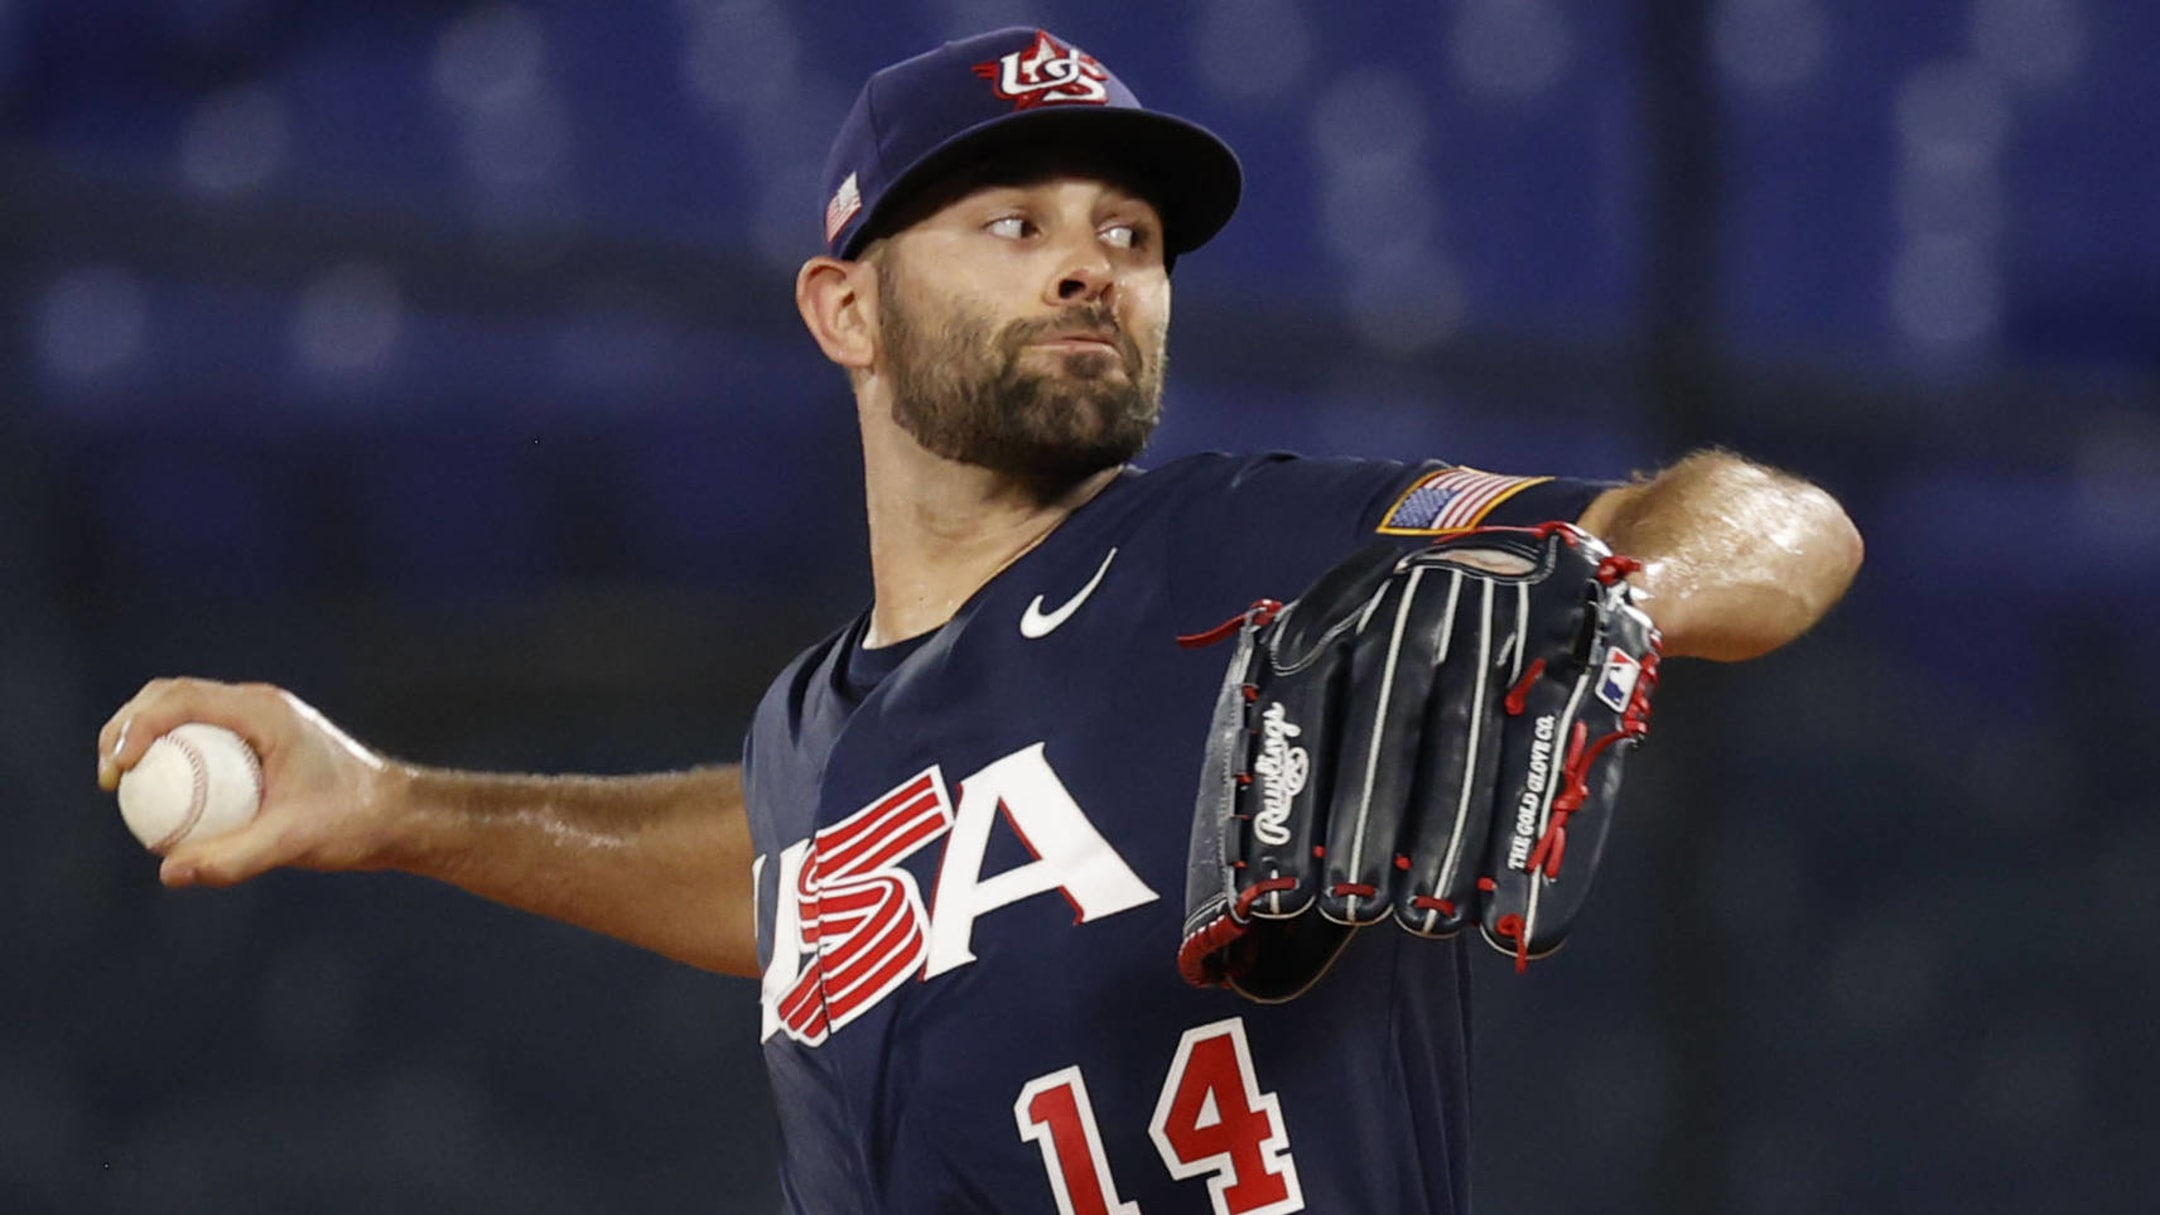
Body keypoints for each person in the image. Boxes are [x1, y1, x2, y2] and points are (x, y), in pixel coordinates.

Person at [97, 27, 1862, 1215]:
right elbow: (805, 872)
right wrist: (396, 805)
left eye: (1129, 232)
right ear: (844, 310)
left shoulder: (1254, 549)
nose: (1091, 262)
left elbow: (1781, 526)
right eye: (1013, 221)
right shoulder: (820, 727)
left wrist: (1615, 587)